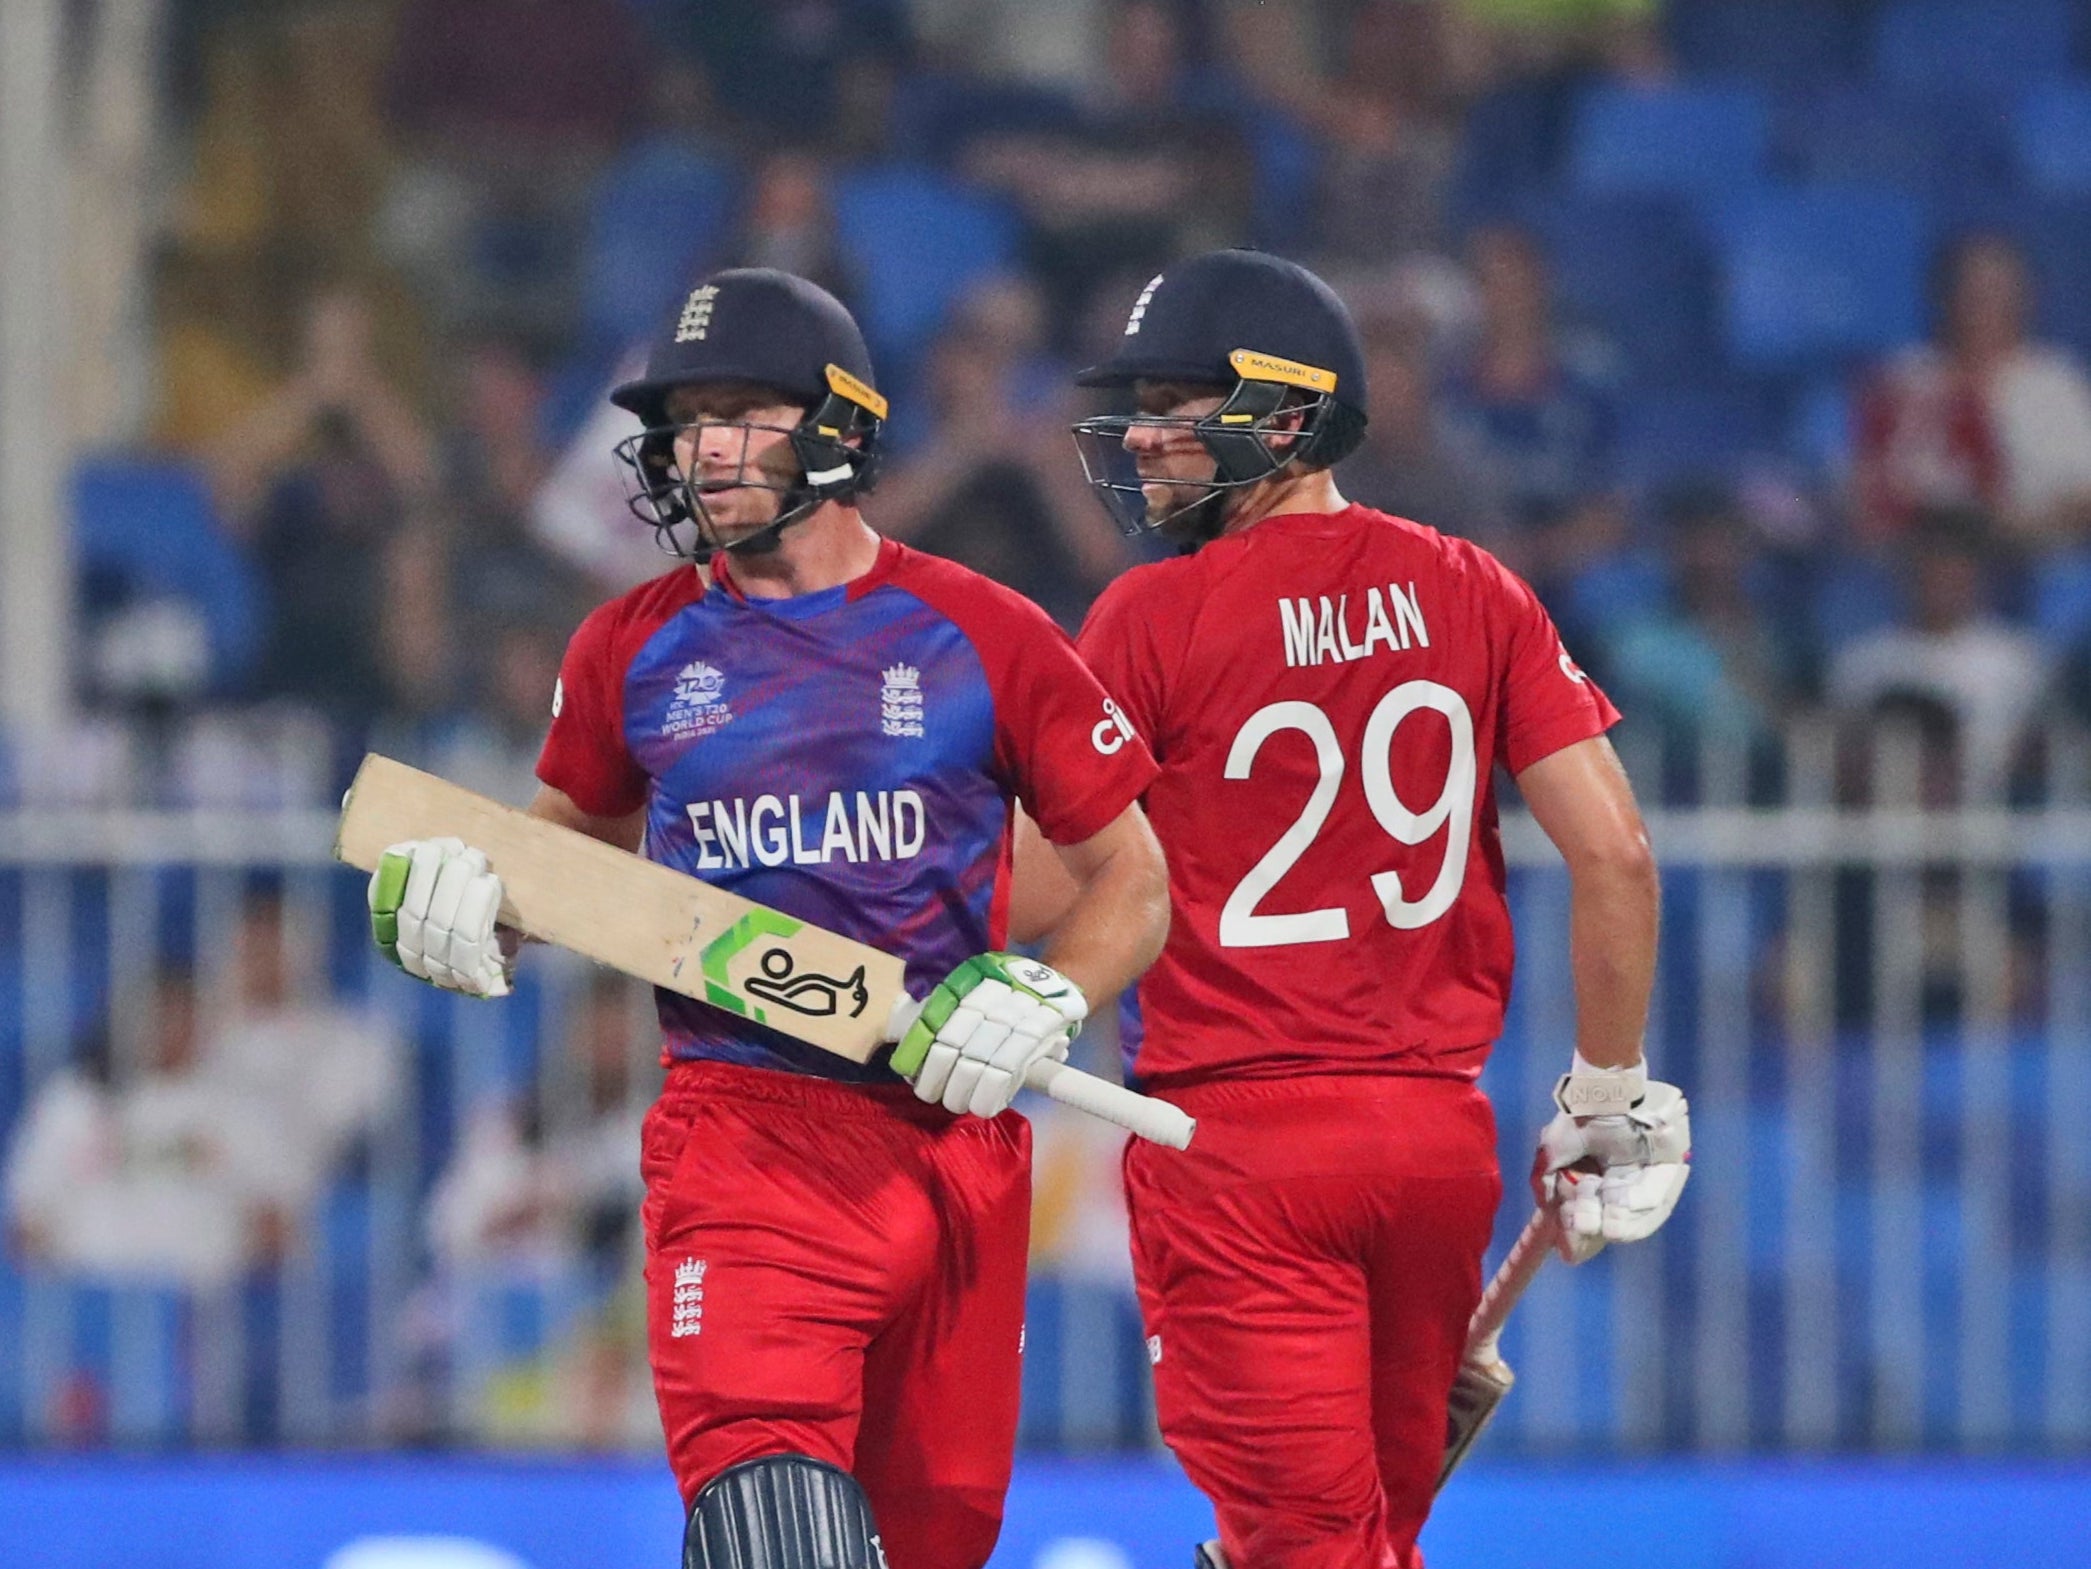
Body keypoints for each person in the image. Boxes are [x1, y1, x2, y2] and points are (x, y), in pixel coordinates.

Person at [362, 268, 1169, 1569]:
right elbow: (563, 862)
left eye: (744, 413)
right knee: (774, 1532)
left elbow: (1135, 882)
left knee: (925, 1548)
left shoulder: (983, 633)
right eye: (687, 422)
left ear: (841, 427)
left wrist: (1052, 991)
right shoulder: (629, 648)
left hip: (953, 1139)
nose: (704, 450)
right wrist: (476, 903)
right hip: (744, 1144)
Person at [1051, 249, 1690, 1569]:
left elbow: (1030, 875)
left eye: (1183, 404)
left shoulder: (1150, 615)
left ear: (1286, 417)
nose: (1147, 438)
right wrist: (1609, 1092)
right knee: (1363, 1540)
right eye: (1145, 407)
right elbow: (1617, 856)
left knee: (1307, 1547)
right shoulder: (1473, 585)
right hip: (1430, 1144)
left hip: (1229, 1141)